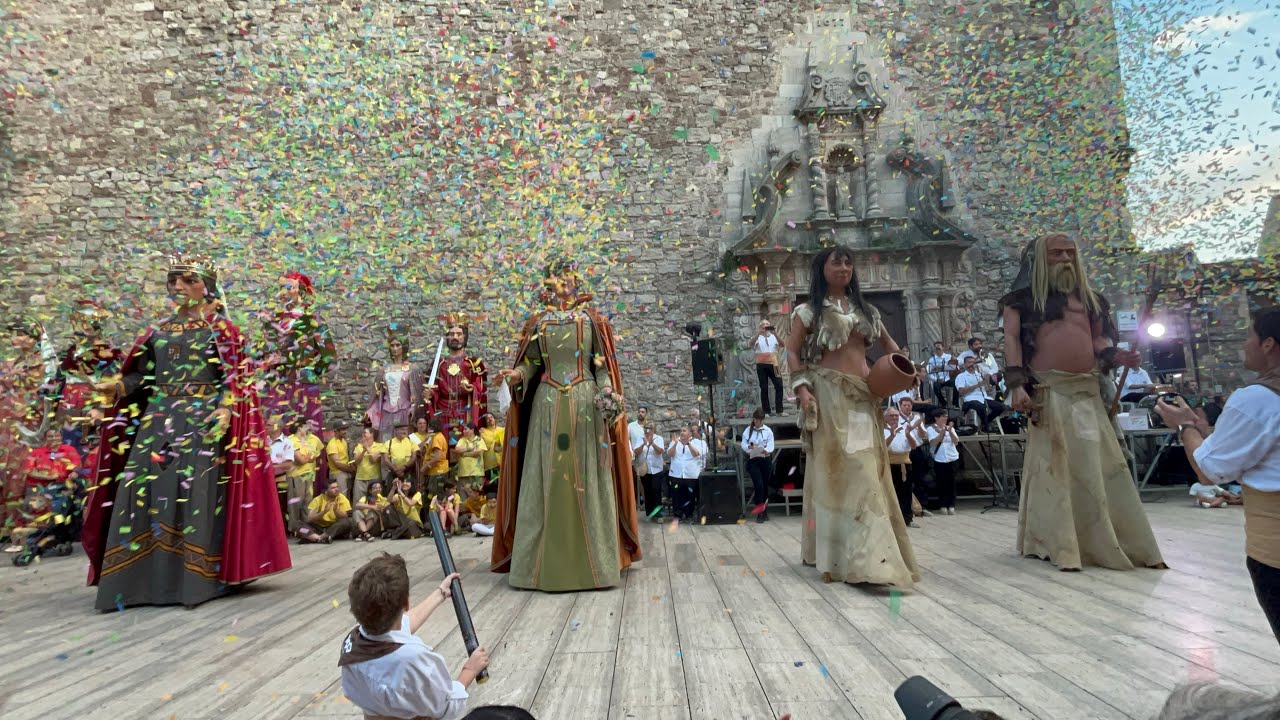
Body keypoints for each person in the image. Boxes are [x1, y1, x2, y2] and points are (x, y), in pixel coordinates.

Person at [80, 255, 291, 610]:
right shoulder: (157, 331)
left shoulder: (222, 332)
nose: (176, 286)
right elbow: (140, 377)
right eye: (173, 280)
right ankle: (138, 580)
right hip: (157, 420)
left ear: (205, 286)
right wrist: (115, 388)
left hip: (201, 422)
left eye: (186, 279)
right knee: (142, 489)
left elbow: (235, 379)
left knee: (192, 495)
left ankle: (196, 578)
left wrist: (226, 407)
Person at [1001, 233, 1164, 572]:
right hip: (1052, 391)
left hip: (1088, 391)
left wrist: (1117, 355)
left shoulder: (1092, 301)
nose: (1064, 258)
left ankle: (1107, 539)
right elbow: (1013, 341)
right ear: (1041, 259)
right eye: (1056, 253)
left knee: (1103, 465)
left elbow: (1098, 340)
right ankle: (1058, 541)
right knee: (1057, 467)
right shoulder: (1021, 300)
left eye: (1069, 252)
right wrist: (1017, 387)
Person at [492, 260, 642, 591]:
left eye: (568, 277)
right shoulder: (538, 322)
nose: (563, 283)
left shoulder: (593, 320)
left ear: (575, 280)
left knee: (586, 477)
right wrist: (515, 375)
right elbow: (531, 364)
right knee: (548, 478)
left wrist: (606, 391)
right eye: (556, 278)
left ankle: (597, 565)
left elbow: (601, 367)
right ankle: (540, 566)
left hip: (585, 404)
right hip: (547, 404)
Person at [785, 246, 919, 587]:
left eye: (848, 261)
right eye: (836, 261)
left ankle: (872, 557)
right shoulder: (807, 311)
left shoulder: (867, 310)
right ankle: (851, 556)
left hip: (863, 395)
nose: (844, 267)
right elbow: (791, 350)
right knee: (837, 470)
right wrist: (803, 390)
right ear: (822, 269)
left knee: (865, 469)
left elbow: (890, 344)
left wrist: (905, 367)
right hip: (828, 394)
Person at [1155, 307, 1280, 643]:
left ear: (1268, 344)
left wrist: (1183, 426)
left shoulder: (1258, 399)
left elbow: (1212, 471)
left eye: (1249, 335)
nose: (1245, 344)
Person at [340, 554, 489, 720]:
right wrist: (469, 671)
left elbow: (401, 626)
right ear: (406, 603)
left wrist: (440, 593)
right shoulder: (411, 660)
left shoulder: (354, 641)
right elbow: (445, 705)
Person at [259, 271, 335, 436]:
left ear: (301, 291)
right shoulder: (271, 322)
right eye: (280, 288)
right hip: (276, 384)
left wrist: (308, 373)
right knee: (273, 430)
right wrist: (268, 360)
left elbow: (328, 357)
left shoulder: (314, 320)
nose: (283, 293)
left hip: (303, 387)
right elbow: (261, 353)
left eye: (288, 287)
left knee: (301, 434)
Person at [424, 319, 488, 437]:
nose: (455, 337)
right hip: (443, 412)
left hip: (465, 411)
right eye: (451, 334)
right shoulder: (439, 364)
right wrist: (431, 394)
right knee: (442, 444)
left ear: (465, 337)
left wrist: (472, 388)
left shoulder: (474, 363)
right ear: (447, 338)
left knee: (463, 446)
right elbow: (434, 388)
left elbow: (481, 390)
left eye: (459, 334)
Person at [365, 329, 422, 441]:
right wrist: (370, 411)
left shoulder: (412, 369)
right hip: (387, 413)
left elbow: (418, 394)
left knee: (405, 442)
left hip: (405, 412)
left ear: (403, 347)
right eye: (392, 346)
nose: (395, 348)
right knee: (387, 442)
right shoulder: (384, 370)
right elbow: (377, 395)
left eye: (398, 345)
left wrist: (414, 408)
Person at [883, 406, 923, 528]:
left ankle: (907, 519)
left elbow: (914, 446)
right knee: (890, 492)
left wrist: (908, 434)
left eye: (896, 415)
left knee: (906, 493)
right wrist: (891, 435)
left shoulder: (905, 428)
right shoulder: (882, 430)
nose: (894, 418)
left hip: (904, 464)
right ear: (885, 418)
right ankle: (891, 520)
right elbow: (883, 446)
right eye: (892, 416)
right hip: (889, 464)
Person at [287, 420, 325, 535]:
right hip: (296, 475)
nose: (309, 427)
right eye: (306, 425)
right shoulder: (291, 440)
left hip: (309, 474)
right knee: (295, 503)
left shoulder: (311, 439)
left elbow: (316, 453)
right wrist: (309, 457)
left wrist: (309, 457)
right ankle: (294, 529)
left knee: (307, 502)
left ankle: (306, 528)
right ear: (299, 427)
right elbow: (300, 460)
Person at [741, 409, 775, 522]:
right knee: (758, 484)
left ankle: (764, 511)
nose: (758, 422)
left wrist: (766, 450)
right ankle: (759, 511)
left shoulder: (768, 431)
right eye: (756, 420)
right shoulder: (748, 431)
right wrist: (749, 448)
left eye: (760, 420)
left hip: (765, 460)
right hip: (753, 460)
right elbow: (744, 444)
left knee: (765, 486)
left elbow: (771, 445)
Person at [666, 424, 705, 521]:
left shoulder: (697, 442)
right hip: (676, 473)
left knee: (690, 496)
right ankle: (677, 515)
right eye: (681, 431)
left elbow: (696, 454)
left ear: (690, 433)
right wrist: (675, 443)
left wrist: (688, 443)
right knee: (676, 495)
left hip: (690, 474)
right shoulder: (675, 441)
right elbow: (670, 454)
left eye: (684, 431)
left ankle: (689, 514)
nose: (681, 432)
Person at [956, 355, 1005, 432]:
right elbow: (961, 391)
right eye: (969, 362)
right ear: (965, 364)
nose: (971, 364)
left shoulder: (980, 374)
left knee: (1000, 407)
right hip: (969, 399)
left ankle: (984, 422)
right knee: (980, 406)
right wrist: (978, 385)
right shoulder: (961, 376)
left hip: (984, 398)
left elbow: (989, 389)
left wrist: (988, 381)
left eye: (973, 362)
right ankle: (985, 427)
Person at [300, 479, 356, 543]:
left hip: (334, 528)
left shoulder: (342, 498)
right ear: (326, 491)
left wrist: (336, 510)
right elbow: (309, 519)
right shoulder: (317, 500)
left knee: (347, 522)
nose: (337, 489)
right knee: (299, 525)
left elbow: (345, 516)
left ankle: (317, 538)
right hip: (319, 528)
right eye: (333, 488)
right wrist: (324, 512)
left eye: (337, 487)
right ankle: (322, 538)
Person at [926, 408, 960, 515]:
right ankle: (943, 504)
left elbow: (956, 442)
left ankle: (951, 504)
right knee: (941, 482)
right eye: (943, 416)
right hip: (939, 459)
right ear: (936, 418)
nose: (945, 418)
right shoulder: (931, 429)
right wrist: (942, 433)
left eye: (946, 416)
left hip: (952, 457)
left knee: (951, 482)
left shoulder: (950, 428)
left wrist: (950, 432)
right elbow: (933, 443)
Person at [749, 320, 784, 416]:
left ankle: (779, 410)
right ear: (760, 327)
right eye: (763, 324)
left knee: (779, 385)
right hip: (761, 365)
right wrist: (758, 333)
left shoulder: (773, 337)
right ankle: (766, 411)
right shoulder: (757, 337)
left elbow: (782, 344)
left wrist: (775, 333)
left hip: (774, 364)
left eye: (767, 324)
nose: (765, 326)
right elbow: (750, 344)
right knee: (764, 388)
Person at [634, 422, 667, 522]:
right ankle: (651, 513)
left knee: (656, 491)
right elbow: (636, 451)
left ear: (653, 429)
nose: (648, 430)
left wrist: (652, 443)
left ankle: (659, 515)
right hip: (645, 470)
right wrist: (643, 444)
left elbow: (660, 451)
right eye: (646, 428)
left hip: (656, 469)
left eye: (650, 428)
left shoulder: (659, 438)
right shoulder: (640, 438)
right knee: (647, 492)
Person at [351, 427, 386, 515]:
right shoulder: (358, 446)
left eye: (365, 433)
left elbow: (373, 459)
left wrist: (367, 448)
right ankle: (358, 520)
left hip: (374, 478)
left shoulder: (380, 446)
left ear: (372, 434)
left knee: (375, 500)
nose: (363, 434)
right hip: (360, 478)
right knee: (358, 501)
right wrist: (363, 450)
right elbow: (356, 462)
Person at [451, 424, 487, 497]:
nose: (463, 431)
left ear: (472, 430)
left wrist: (464, 453)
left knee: (476, 497)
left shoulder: (479, 439)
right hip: (463, 473)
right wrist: (469, 449)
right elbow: (457, 450)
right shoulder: (462, 440)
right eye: (463, 429)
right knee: (463, 496)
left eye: (466, 429)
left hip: (476, 473)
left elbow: (478, 452)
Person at [420, 418, 451, 497]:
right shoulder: (433, 437)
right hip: (434, 471)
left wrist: (425, 467)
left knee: (436, 496)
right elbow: (420, 449)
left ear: (431, 427)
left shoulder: (437, 438)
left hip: (437, 471)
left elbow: (437, 457)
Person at [326, 420, 355, 499]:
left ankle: (345, 511)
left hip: (346, 472)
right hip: (338, 474)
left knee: (347, 497)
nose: (345, 431)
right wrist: (351, 470)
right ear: (336, 431)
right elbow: (337, 464)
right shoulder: (332, 444)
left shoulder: (343, 441)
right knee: (340, 497)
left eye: (346, 429)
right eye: (342, 429)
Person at [925, 341, 956, 407]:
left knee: (956, 383)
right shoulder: (932, 360)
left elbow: (953, 367)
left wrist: (941, 367)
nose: (937, 348)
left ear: (943, 348)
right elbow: (929, 373)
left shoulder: (949, 357)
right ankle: (944, 403)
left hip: (948, 378)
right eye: (936, 347)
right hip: (939, 379)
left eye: (939, 346)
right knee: (936, 386)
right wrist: (936, 379)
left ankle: (955, 403)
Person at [478, 412, 504, 490]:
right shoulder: (483, 432)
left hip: (501, 461)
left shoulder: (502, 430)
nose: (490, 419)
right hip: (489, 463)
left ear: (495, 419)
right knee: (491, 486)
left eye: (491, 417)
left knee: (502, 485)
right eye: (487, 419)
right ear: (485, 421)